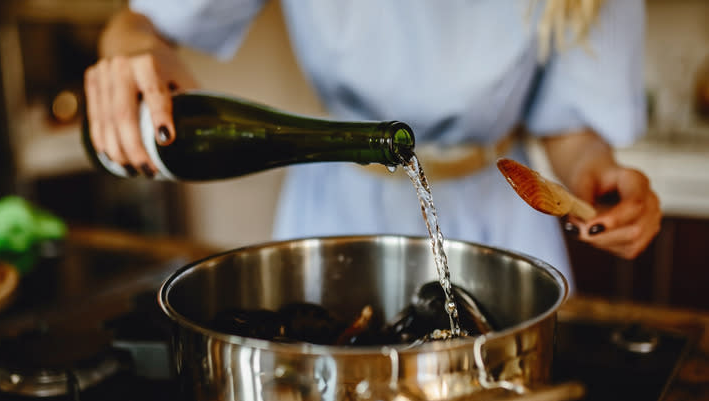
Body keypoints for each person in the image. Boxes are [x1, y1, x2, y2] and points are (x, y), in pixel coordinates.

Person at [83, 0, 661, 288]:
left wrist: (594, 173)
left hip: (498, 222)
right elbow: (140, 24)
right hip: (338, 208)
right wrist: (128, 49)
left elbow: (569, 128)